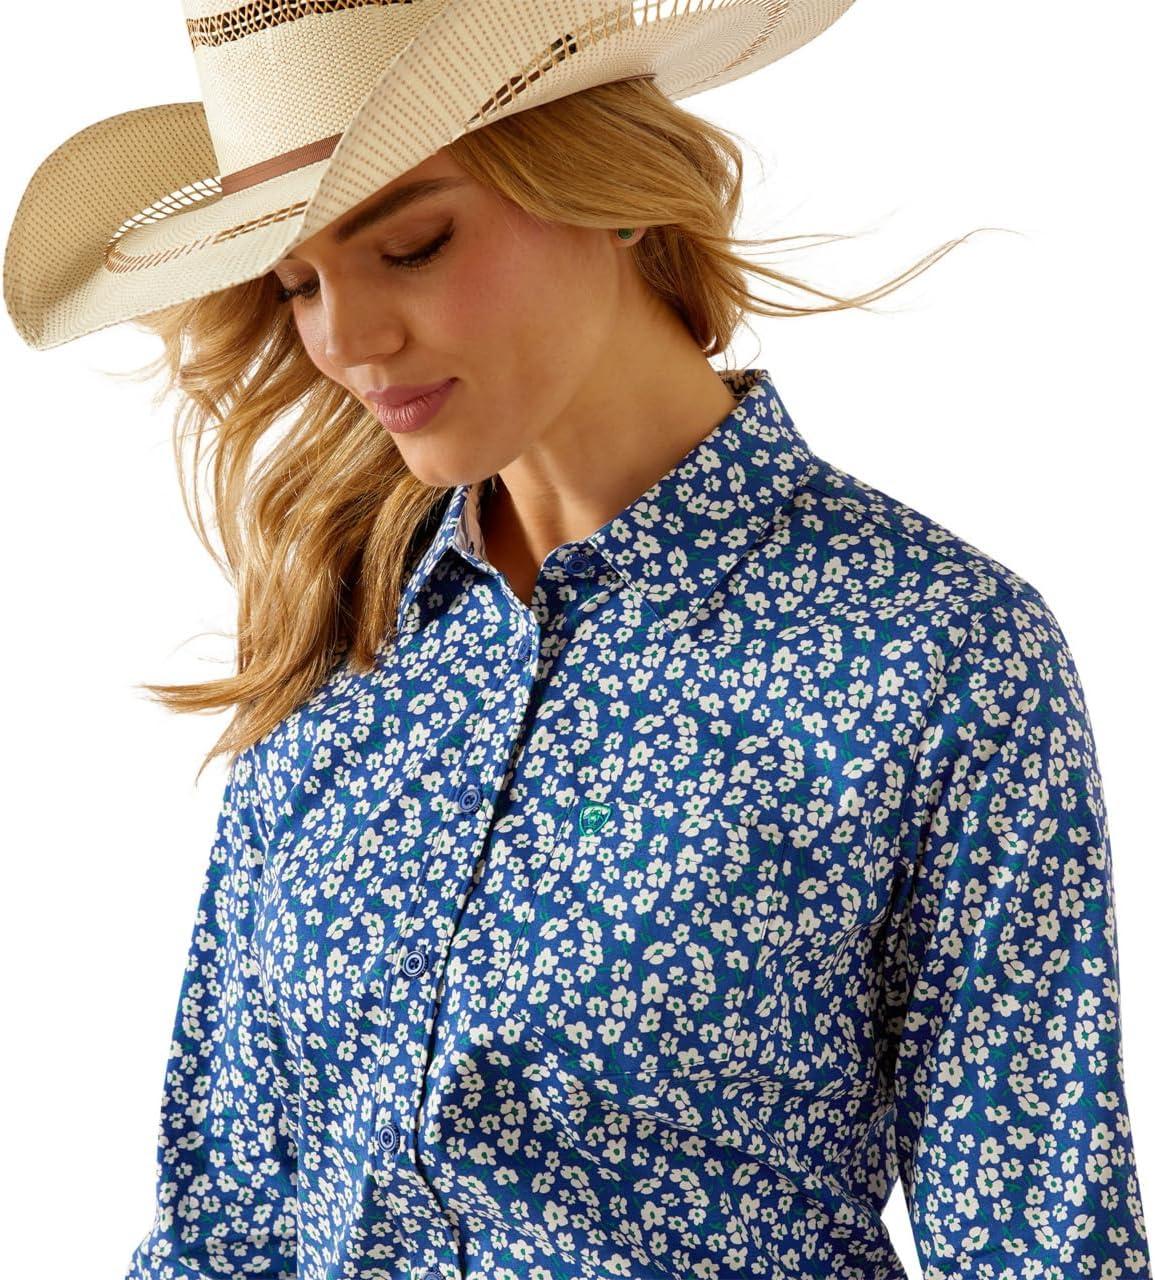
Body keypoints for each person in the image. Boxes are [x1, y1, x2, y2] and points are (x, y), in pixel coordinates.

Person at [4, 3, 1150, 1279]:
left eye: (414, 244)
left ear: (607, 191)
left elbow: (1040, 1234)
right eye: (298, 282)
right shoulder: (343, 630)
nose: (343, 339)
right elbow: (222, 1225)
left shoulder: (928, 652)